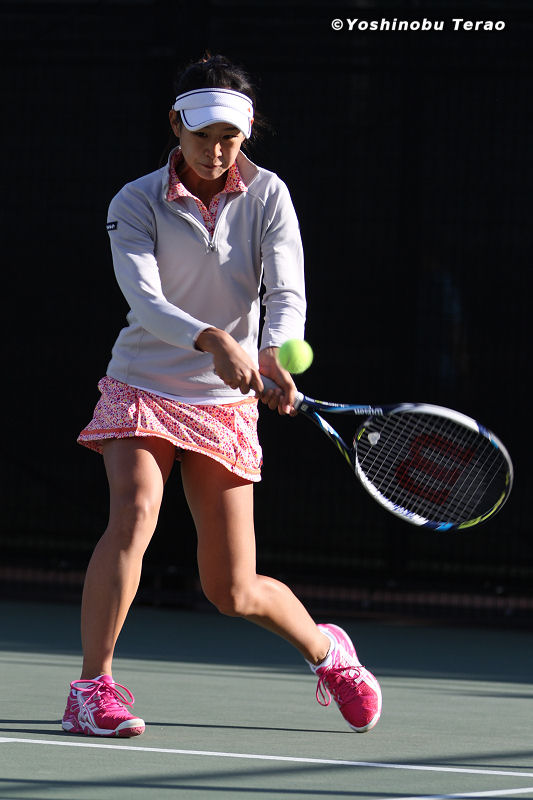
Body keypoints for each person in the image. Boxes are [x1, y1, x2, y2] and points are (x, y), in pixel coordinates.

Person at [62, 54, 382, 738]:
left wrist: (275, 352)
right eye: (203, 134)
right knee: (134, 511)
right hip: (143, 384)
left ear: (247, 133)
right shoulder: (134, 202)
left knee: (232, 590)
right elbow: (145, 301)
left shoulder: (269, 196)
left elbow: (286, 292)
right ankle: (91, 689)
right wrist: (212, 338)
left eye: (230, 137)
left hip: (224, 404)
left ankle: (328, 653)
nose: (215, 150)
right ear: (176, 125)